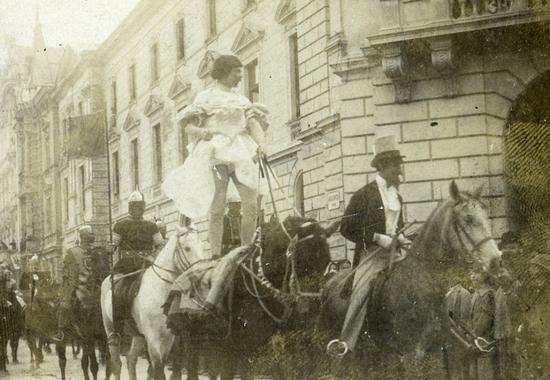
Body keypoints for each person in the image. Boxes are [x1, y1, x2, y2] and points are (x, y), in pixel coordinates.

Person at [162, 54, 269, 258]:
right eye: (237, 73)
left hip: (240, 150)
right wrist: (201, 133)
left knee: (252, 204)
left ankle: (246, 251)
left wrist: (260, 144)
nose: (240, 77)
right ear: (225, 72)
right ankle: (216, 254)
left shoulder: (241, 100)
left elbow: (252, 123)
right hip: (215, 151)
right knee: (218, 206)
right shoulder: (205, 98)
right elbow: (186, 124)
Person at [327, 135, 411, 356]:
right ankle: (345, 343)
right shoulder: (364, 194)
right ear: (382, 165)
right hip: (371, 256)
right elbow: (346, 228)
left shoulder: (397, 196)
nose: (399, 169)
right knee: (362, 293)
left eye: (399, 164)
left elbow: (397, 225)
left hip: (396, 253)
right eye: (395, 164)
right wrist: (376, 237)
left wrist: (400, 238)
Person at [110, 190, 163, 342]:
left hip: (147, 264)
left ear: (143, 208)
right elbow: (114, 244)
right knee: (119, 292)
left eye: (139, 207)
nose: (136, 210)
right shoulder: (120, 225)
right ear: (129, 208)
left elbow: (160, 245)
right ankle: (118, 330)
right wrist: (110, 247)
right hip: (127, 266)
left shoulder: (152, 226)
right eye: (133, 207)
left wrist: (153, 257)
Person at [53, 225, 99, 342]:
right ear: (83, 236)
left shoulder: (97, 250)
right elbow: (69, 273)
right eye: (90, 234)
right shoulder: (73, 252)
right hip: (81, 286)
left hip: (92, 285)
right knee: (64, 305)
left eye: (92, 233)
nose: (93, 236)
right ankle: (61, 330)